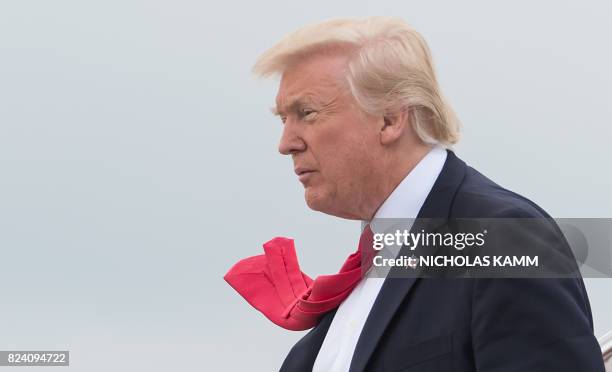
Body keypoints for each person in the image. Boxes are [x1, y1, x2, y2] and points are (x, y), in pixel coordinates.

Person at [224, 17, 605, 371]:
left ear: (390, 118)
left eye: (306, 113)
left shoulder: (505, 238)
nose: (286, 143)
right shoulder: (351, 299)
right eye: (282, 118)